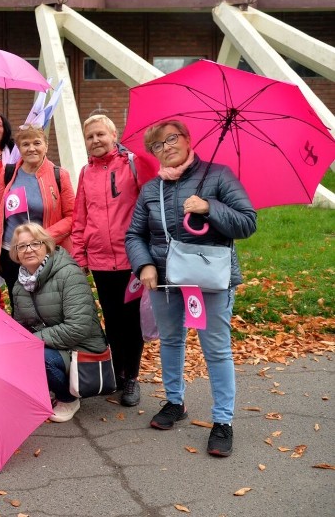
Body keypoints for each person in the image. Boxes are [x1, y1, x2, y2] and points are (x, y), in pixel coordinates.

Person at [125, 119, 257, 457]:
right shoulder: (150, 189)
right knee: (170, 340)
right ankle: (175, 402)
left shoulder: (218, 175)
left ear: (187, 140)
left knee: (216, 349)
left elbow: (247, 222)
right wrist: (145, 266)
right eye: (157, 144)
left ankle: (223, 421)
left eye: (172, 139)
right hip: (165, 280)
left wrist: (209, 207)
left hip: (208, 280)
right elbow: (134, 235)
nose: (166, 147)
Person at [71, 114, 153, 407]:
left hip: (132, 258)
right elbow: (80, 216)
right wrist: (79, 255)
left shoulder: (133, 164)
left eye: (100, 135)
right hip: (100, 261)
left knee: (132, 322)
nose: (95, 141)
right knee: (113, 320)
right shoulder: (85, 173)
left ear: (113, 134)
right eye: (90, 137)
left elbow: (150, 207)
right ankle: (117, 373)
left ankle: (131, 377)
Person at [9, 223, 107, 423]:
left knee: (39, 356)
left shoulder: (68, 274)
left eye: (35, 244)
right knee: (13, 348)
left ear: (46, 245)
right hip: (52, 344)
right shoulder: (20, 285)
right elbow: (21, 325)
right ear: (16, 253)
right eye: (22, 246)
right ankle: (44, 389)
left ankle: (68, 398)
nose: (28, 250)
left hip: (82, 347)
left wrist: (32, 341)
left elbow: (78, 327)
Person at [0, 127, 75, 299]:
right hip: (12, 251)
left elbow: (72, 216)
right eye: (25, 144)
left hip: (45, 252)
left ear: (46, 146)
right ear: (19, 149)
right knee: (18, 303)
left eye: (37, 143)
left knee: (47, 303)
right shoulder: (8, 173)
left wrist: (43, 237)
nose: (31, 148)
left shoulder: (60, 175)